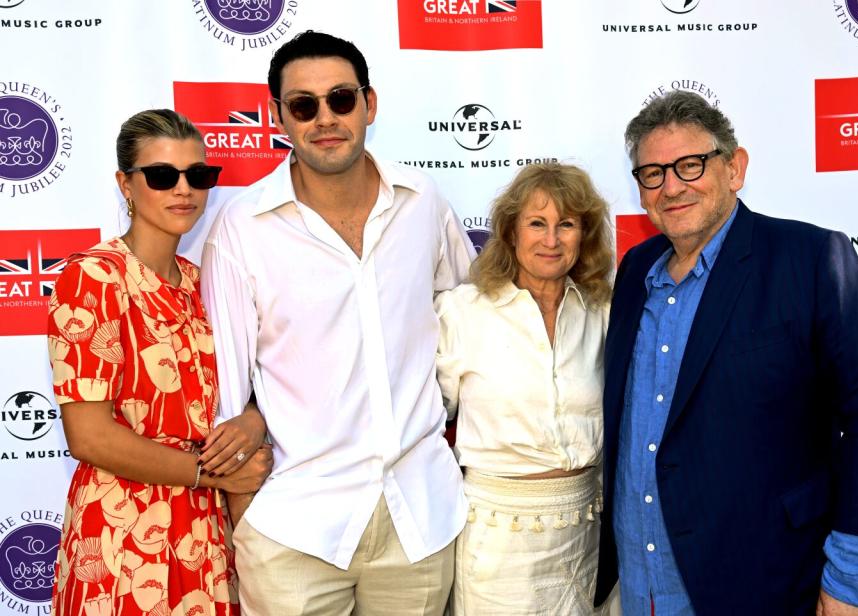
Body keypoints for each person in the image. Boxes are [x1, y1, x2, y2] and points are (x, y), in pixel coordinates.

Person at [594, 91, 858, 616]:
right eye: (652, 173)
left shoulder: (812, 261)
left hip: (766, 582)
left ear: (734, 168)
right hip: (642, 585)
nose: (671, 186)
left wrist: (853, 576)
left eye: (690, 164)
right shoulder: (635, 271)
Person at [200, 31, 475, 615]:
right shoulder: (242, 226)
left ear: (369, 104)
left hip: (418, 519)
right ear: (279, 116)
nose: (325, 118)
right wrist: (247, 516)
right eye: (303, 105)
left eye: (341, 99)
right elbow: (226, 385)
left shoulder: (423, 200)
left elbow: (465, 326)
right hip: (294, 526)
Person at [48, 109, 272, 616]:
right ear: (125, 184)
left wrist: (254, 421)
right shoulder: (93, 279)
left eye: (199, 175)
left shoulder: (207, 281)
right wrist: (213, 476)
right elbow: (89, 436)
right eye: (162, 176)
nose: (183, 189)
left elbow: (260, 384)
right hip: (122, 532)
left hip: (208, 531)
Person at [435, 163, 613, 615]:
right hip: (497, 544)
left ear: (584, 235)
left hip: (583, 533)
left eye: (566, 224)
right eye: (537, 223)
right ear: (511, 232)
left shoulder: (602, 310)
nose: (551, 240)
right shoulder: (464, 312)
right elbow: (426, 418)